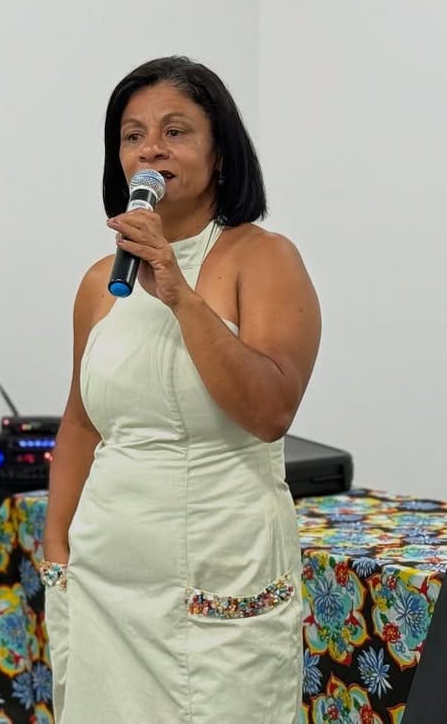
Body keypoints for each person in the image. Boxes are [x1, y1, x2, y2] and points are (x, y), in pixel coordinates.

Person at [41, 56, 321, 722]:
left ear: (220, 153)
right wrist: (57, 550)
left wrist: (178, 293)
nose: (151, 150)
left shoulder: (264, 257)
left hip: (219, 574)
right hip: (106, 575)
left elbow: (271, 411)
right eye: (133, 135)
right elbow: (82, 423)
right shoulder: (100, 282)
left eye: (175, 131)